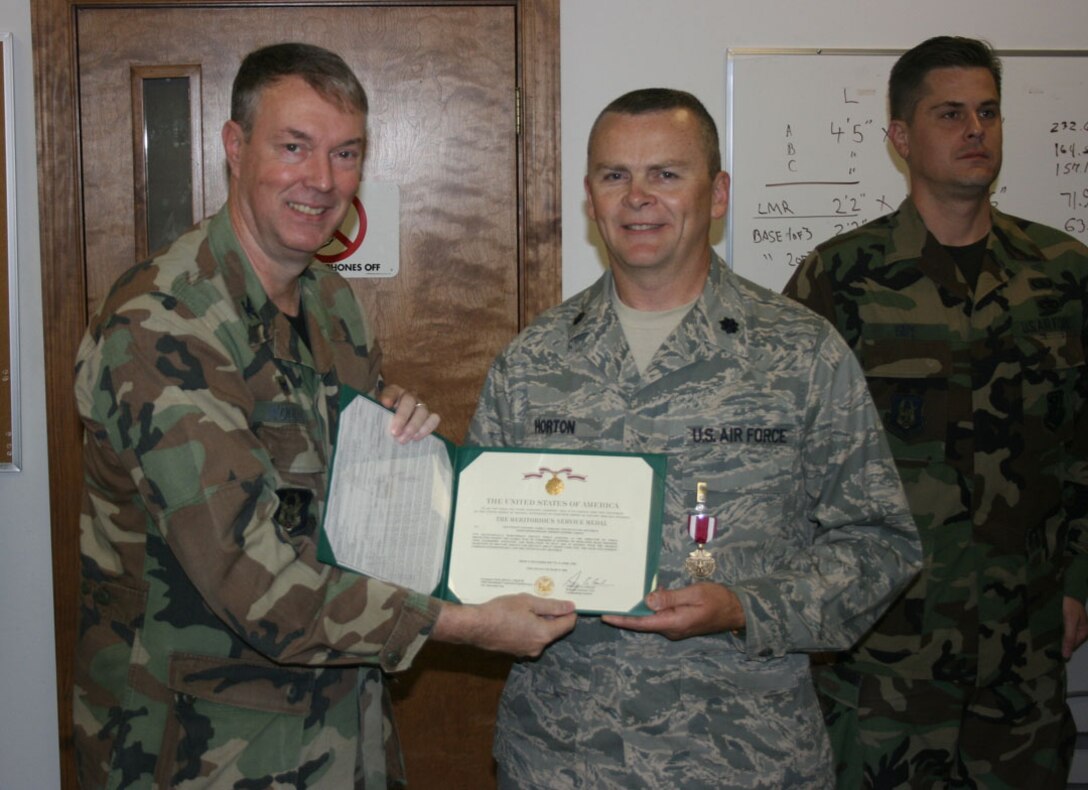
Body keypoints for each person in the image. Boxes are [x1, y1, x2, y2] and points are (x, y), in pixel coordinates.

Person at [72, 42, 576, 789]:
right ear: (235, 147)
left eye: (346, 154)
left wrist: (395, 444)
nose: (322, 180)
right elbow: (248, 575)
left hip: (341, 730)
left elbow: (340, 515)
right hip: (199, 749)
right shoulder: (164, 324)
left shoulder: (332, 305)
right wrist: (459, 623)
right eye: (294, 147)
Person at [467, 87, 922, 789]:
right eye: (615, 175)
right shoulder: (532, 363)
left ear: (717, 195)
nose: (638, 197)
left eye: (667, 174)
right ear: (591, 198)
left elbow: (881, 544)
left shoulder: (802, 354)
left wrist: (747, 607)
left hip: (745, 755)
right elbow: (477, 553)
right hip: (565, 755)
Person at [784, 35, 1088, 789]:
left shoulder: (1064, 275)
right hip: (882, 665)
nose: (975, 130)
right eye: (949, 113)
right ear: (900, 137)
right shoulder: (840, 278)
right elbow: (790, 460)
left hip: (1025, 664)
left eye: (988, 112)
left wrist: (1082, 579)